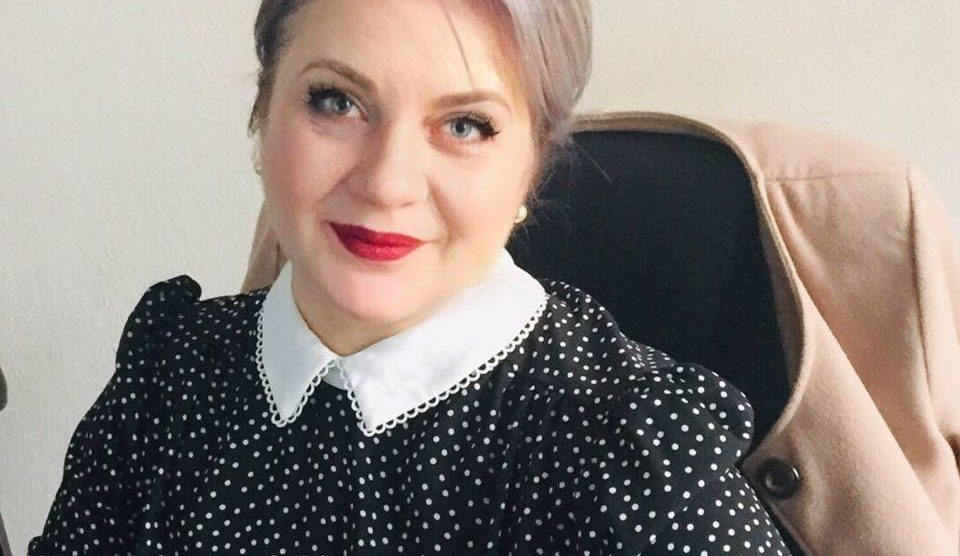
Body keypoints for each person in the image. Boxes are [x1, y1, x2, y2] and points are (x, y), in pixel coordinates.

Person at [29, 1, 792, 554]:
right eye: (337, 101)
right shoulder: (172, 372)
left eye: (465, 125)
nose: (387, 182)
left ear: (532, 166)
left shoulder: (632, 460)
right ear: (263, 115)